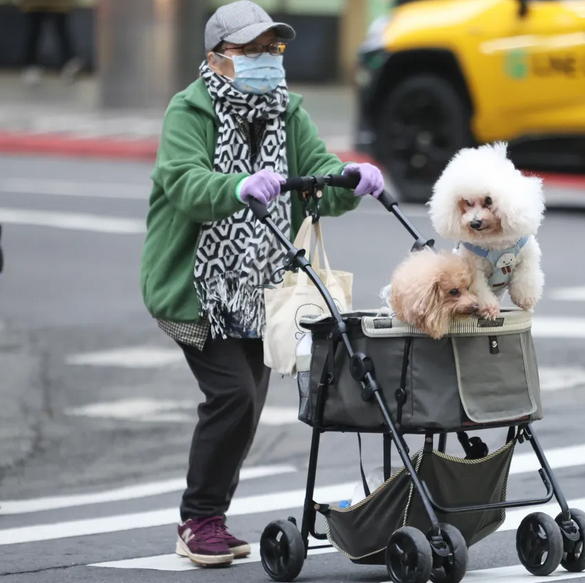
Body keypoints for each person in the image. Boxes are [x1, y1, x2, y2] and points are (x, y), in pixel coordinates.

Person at [139, 0, 385, 567]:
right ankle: (198, 520)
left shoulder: (287, 110)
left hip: (262, 289)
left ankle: (209, 518)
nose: (265, 58)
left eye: (271, 48)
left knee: (245, 405)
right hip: (198, 288)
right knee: (234, 395)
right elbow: (185, 182)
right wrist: (235, 187)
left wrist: (350, 178)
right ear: (216, 57)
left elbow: (318, 177)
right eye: (249, 49)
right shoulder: (189, 110)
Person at [18, 0, 82, 86]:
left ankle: (69, 62)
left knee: (59, 29)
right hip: (37, 4)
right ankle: (31, 67)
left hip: (56, 4)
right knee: (35, 31)